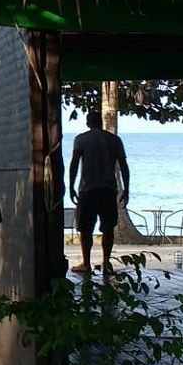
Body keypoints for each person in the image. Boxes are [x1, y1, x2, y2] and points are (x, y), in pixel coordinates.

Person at [67, 111, 130, 276]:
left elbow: (74, 164)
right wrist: (126, 189)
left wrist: (71, 185)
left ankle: (86, 263)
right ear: (100, 122)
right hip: (108, 189)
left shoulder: (81, 139)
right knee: (108, 228)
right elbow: (124, 166)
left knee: (85, 228)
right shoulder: (114, 140)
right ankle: (106, 262)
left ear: (88, 123)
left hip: (88, 190)